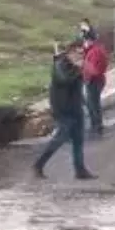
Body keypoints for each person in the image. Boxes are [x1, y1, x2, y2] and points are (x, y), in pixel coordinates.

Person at [33, 41, 97, 180]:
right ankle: (39, 164)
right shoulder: (59, 65)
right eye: (77, 53)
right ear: (69, 53)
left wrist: (85, 104)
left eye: (82, 53)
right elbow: (63, 80)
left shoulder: (78, 67)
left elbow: (81, 84)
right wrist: (78, 69)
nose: (80, 56)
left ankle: (80, 170)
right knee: (60, 139)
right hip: (62, 109)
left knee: (78, 140)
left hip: (76, 108)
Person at [80, 32, 109, 137]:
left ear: (89, 40)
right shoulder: (95, 50)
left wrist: (86, 73)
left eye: (84, 41)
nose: (84, 43)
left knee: (93, 104)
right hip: (96, 80)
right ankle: (96, 125)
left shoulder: (95, 52)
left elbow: (94, 69)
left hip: (94, 81)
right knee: (92, 103)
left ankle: (96, 126)